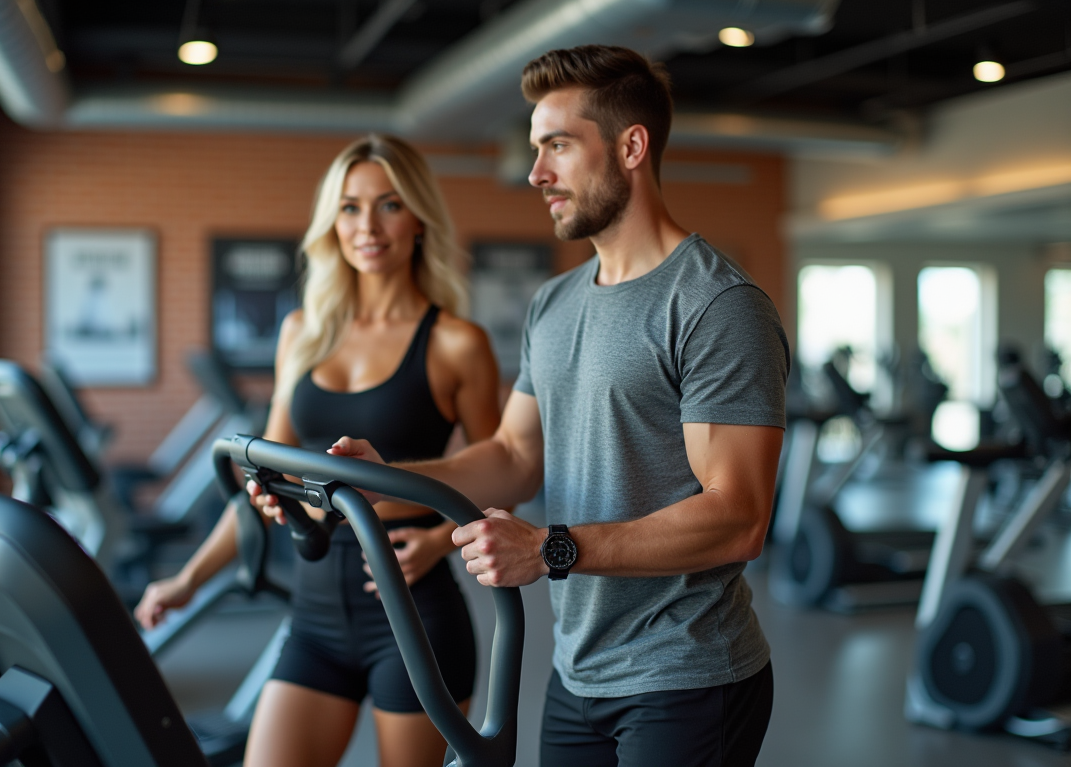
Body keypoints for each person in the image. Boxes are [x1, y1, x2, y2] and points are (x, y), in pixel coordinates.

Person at [328, 46, 788, 767]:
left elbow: (738, 517)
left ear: (632, 146)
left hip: (687, 674)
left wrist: (550, 549)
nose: (537, 173)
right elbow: (513, 459)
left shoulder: (715, 305)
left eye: (559, 147)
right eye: (537, 149)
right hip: (578, 674)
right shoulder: (555, 301)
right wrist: (385, 482)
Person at [134, 133, 501, 767]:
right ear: (332, 221)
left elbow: (503, 473)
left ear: (418, 217)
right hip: (315, 617)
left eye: (389, 205)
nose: (368, 225)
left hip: (412, 614)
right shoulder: (303, 331)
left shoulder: (455, 343)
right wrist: (189, 578)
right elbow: (263, 476)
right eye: (350, 207)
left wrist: (442, 540)